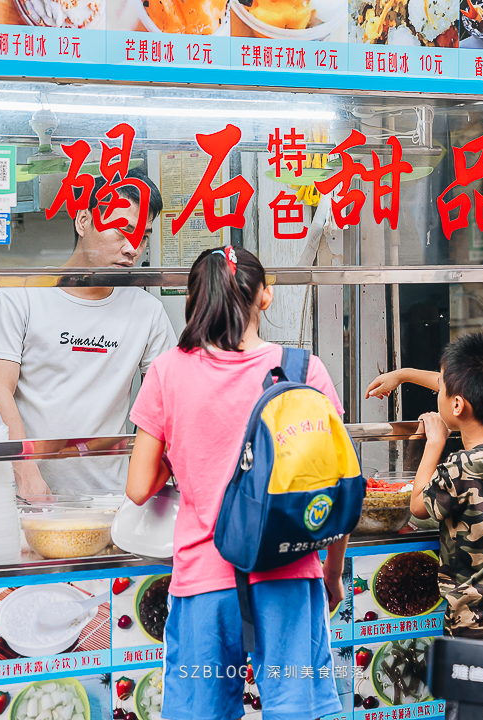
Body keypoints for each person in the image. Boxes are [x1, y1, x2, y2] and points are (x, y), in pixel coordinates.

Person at [126, 246, 347, 720]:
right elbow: (336, 484)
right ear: (264, 297)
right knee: (294, 710)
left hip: (204, 581)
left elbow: (139, 486)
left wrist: (177, 454)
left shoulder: (167, 371)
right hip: (288, 573)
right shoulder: (303, 369)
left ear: (195, 298)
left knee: (200, 712)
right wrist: (331, 573)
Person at [0, 168, 176, 496]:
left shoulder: (147, 311)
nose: (134, 248)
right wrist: (27, 477)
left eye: (144, 236)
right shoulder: (19, 295)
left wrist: (151, 482)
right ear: (83, 221)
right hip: (30, 496)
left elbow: (168, 403)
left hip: (114, 499)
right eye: (123, 230)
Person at [403, 333, 483, 720]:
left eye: (442, 387)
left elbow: (418, 506)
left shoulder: (459, 468)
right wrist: (404, 374)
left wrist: (435, 441)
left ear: (457, 404)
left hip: (474, 620)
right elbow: (463, 384)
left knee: (473, 709)